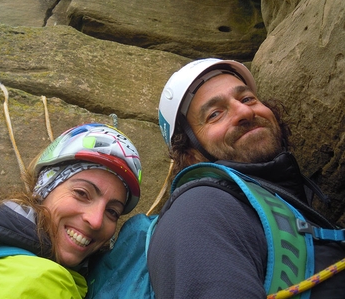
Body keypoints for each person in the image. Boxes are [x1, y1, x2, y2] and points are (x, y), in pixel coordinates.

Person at [148, 58, 345, 298]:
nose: (244, 111)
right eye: (215, 114)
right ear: (191, 156)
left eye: (247, 98)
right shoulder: (200, 209)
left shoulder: (283, 206)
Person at [0, 122, 142, 298]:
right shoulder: (39, 282)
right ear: (45, 187)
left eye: (112, 212)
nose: (96, 220)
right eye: (82, 193)